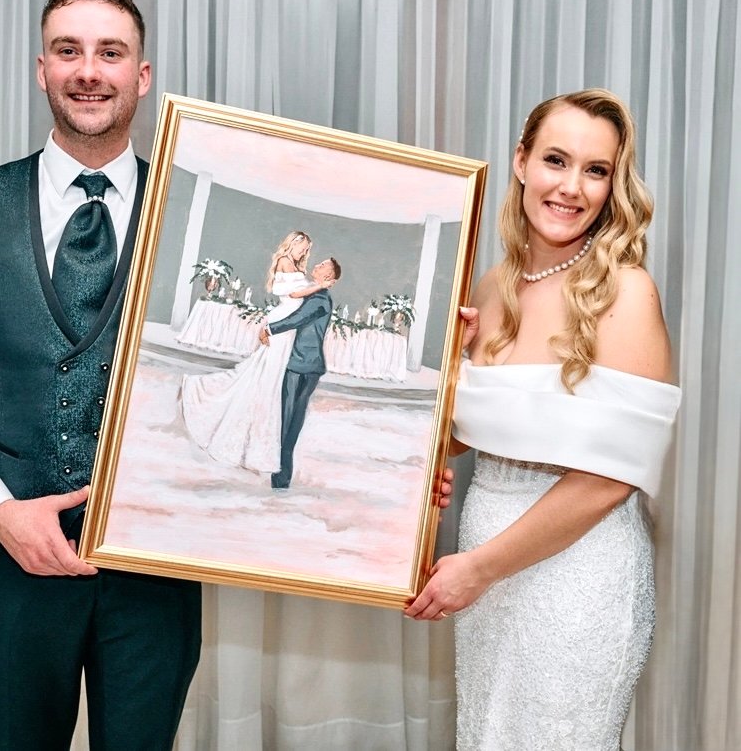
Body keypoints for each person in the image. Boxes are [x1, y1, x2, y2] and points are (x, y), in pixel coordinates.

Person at [0, 0, 200, 750]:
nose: (89, 70)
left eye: (110, 53)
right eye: (68, 50)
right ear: (42, 68)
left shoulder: (194, 213)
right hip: (9, 559)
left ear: (142, 75)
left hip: (157, 562)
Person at [405, 89, 681, 749]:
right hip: (485, 570)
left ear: (612, 186)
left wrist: (479, 568)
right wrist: (442, 375)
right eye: (556, 160)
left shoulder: (626, 292)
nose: (571, 187)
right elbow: (462, 437)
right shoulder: (491, 286)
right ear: (521, 161)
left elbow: (609, 480)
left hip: (578, 576)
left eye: (596, 169)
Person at [180, 231, 333, 474]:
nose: (304, 252)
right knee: (268, 378)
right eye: (301, 247)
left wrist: (316, 286)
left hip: (288, 329)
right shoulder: (285, 261)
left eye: (306, 249)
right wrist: (318, 285)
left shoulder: (296, 267)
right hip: (283, 326)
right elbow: (293, 294)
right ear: (292, 244)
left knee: (272, 381)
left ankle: (263, 441)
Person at [259, 257, 341, 489]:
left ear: (329, 277)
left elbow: (297, 319)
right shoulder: (315, 294)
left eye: (323, 265)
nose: (317, 265)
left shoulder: (320, 299)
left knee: (289, 420)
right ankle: (281, 475)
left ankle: (281, 476)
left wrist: (270, 329)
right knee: (289, 419)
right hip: (305, 364)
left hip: (302, 365)